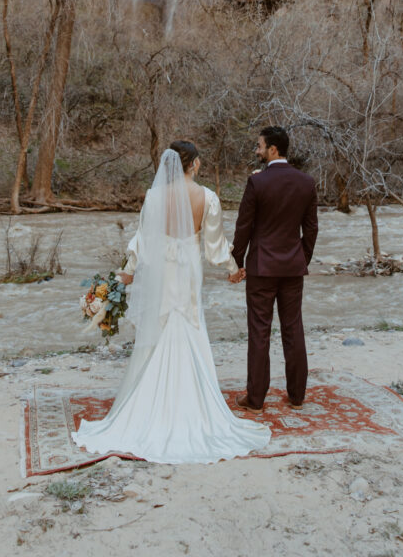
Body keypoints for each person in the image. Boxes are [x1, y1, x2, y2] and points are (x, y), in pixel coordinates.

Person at [72, 141, 270, 463]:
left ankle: (149, 404)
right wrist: (234, 269)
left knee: (159, 323)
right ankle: (193, 404)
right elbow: (215, 245)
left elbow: (142, 239)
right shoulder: (207, 198)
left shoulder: (154, 197)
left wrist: (128, 272)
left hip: (162, 268)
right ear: (193, 164)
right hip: (188, 266)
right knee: (190, 320)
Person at [231, 126, 318, 413]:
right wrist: (301, 258)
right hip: (293, 268)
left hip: (261, 268)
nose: (256, 151)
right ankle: (296, 396)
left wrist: (238, 262)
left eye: (259, 146)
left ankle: (255, 399)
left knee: (259, 332)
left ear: (273, 150)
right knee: (293, 329)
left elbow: (243, 227)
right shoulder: (306, 183)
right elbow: (311, 228)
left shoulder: (257, 183)